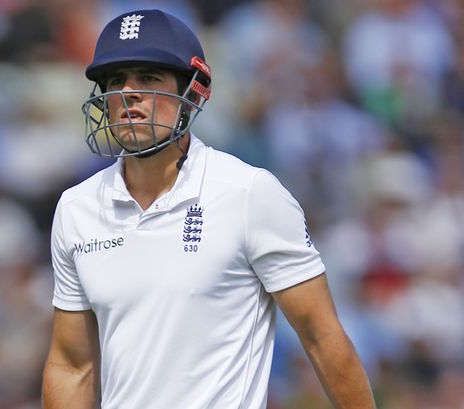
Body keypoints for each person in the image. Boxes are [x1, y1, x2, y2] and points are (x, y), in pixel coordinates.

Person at [42, 8, 376, 409]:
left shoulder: (249, 193)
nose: (127, 93)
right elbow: (72, 365)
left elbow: (321, 336)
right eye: (115, 80)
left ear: (191, 92)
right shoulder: (77, 208)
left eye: (148, 78)